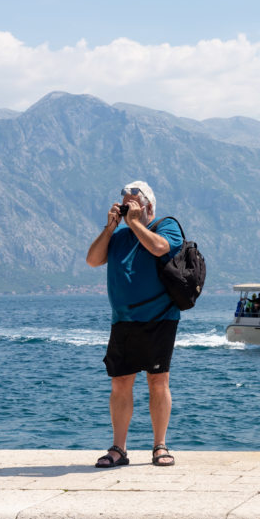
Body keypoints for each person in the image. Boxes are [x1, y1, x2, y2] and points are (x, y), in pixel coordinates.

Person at [86, 181, 183, 468]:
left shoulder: (166, 227)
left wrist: (136, 223)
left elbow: (159, 248)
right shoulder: (118, 237)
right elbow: (92, 260)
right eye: (125, 203)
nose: (128, 208)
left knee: (158, 381)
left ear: (148, 206)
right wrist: (112, 227)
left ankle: (160, 445)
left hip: (160, 318)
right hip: (123, 322)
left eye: (134, 204)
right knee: (120, 383)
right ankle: (119, 448)